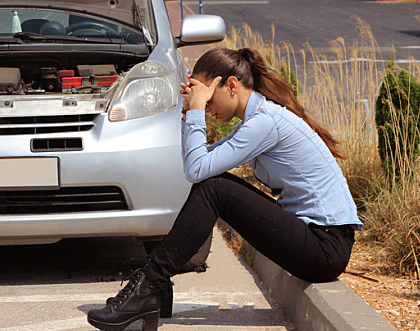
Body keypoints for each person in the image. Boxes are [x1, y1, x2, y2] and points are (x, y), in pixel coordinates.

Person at [87, 47, 363, 331]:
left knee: (215, 188)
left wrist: (196, 111)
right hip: (316, 237)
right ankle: (152, 287)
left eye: (208, 98)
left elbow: (197, 171)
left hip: (325, 247)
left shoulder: (265, 123)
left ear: (231, 85)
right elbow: (200, 164)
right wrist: (188, 113)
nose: (206, 106)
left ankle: (148, 286)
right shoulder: (258, 119)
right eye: (203, 102)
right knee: (212, 185)